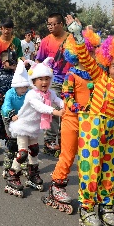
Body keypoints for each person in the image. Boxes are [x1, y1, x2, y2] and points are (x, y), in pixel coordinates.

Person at [66, 15, 114, 226]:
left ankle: (106, 205)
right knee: (90, 168)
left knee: (111, 169)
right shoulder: (99, 78)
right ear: (107, 65)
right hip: (93, 128)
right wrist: (78, 35)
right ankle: (87, 208)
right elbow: (85, 59)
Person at [43, 29, 99, 214]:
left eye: (93, 50)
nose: (91, 54)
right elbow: (67, 97)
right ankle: (57, 186)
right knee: (67, 154)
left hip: (90, 123)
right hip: (72, 121)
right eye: (88, 51)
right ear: (76, 53)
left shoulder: (96, 74)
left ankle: (87, 190)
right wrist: (80, 109)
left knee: (87, 157)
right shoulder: (71, 75)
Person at [5, 58, 64, 197]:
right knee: (23, 153)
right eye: (40, 79)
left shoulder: (50, 93)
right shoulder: (32, 94)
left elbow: (58, 101)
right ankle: (12, 175)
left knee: (34, 150)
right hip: (23, 127)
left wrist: (67, 106)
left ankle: (32, 174)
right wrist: (55, 111)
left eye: (47, 79)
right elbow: (40, 106)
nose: (44, 82)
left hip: (33, 128)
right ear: (33, 81)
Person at [35, 12, 70, 156]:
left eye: (53, 24)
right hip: (54, 80)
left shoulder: (71, 39)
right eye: (48, 24)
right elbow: (39, 60)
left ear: (61, 24)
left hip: (71, 80)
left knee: (68, 109)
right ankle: (49, 140)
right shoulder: (45, 41)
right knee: (54, 109)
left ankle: (64, 140)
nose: (50, 27)